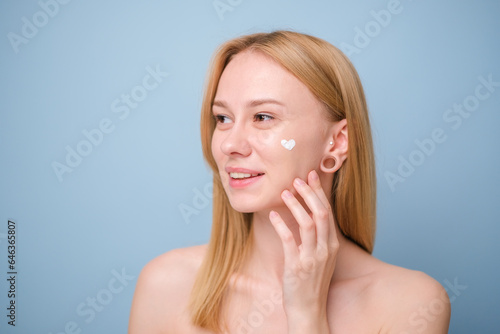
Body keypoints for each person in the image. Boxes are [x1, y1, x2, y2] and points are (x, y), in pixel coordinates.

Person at [128, 30, 451, 333]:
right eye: (223, 118)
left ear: (336, 143)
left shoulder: (411, 304)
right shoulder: (166, 285)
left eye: (263, 117)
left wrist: (307, 315)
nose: (229, 145)